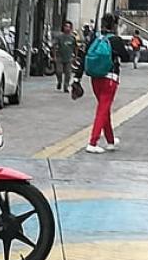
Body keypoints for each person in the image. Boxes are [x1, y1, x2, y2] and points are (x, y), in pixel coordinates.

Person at [73, 13, 129, 154]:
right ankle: (93, 142)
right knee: (102, 110)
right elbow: (126, 57)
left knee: (105, 110)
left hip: (95, 78)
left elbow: (84, 57)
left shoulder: (95, 38)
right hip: (110, 78)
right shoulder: (115, 40)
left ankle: (110, 141)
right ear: (114, 25)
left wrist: (77, 78)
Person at [53, 21, 77, 93]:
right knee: (59, 71)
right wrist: (54, 56)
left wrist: (75, 56)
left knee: (68, 73)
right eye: (66, 26)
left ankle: (66, 86)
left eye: (69, 27)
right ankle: (59, 81)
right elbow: (54, 46)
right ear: (63, 27)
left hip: (69, 58)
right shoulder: (59, 37)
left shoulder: (72, 38)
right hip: (60, 57)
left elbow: (76, 47)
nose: (67, 28)